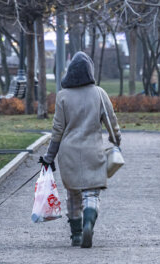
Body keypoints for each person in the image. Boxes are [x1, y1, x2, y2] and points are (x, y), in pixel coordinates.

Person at [39, 51, 121, 248]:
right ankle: (88, 223)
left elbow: (57, 130)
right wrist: (116, 140)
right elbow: (111, 122)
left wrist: (49, 157)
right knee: (91, 193)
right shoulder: (99, 93)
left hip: (69, 153)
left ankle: (76, 235)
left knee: (73, 194)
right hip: (94, 151)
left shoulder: (63, 96)